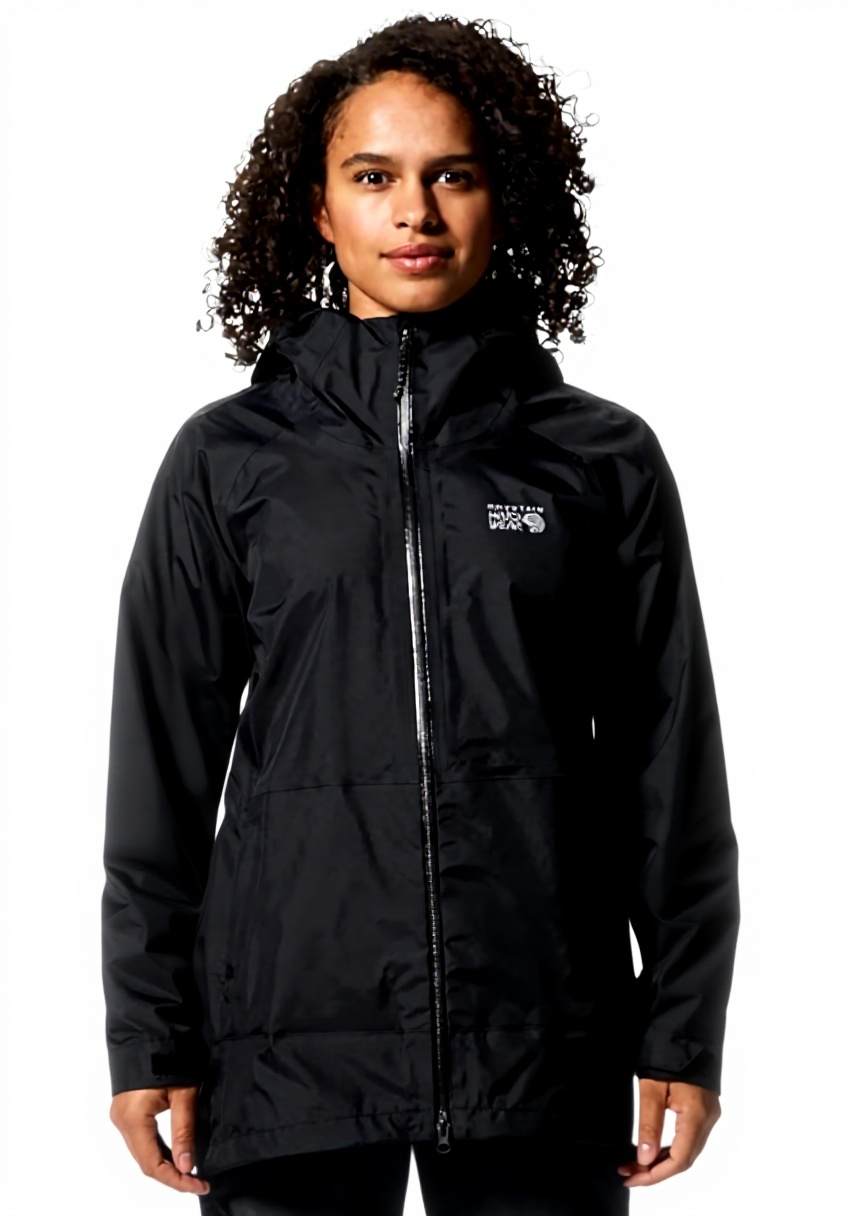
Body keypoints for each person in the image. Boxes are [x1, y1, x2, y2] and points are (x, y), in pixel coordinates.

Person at [101, 15, 741, 1215]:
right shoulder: (227, 460)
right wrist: (148, 1036)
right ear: (317, 208)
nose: (415, 213)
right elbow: (160, 775)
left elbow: (666, 765)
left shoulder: (598, 460)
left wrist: (682, 1028)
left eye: (452, 174)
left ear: (504, 200)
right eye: (373, 177)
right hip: (283, 1044)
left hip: (541, 1039)